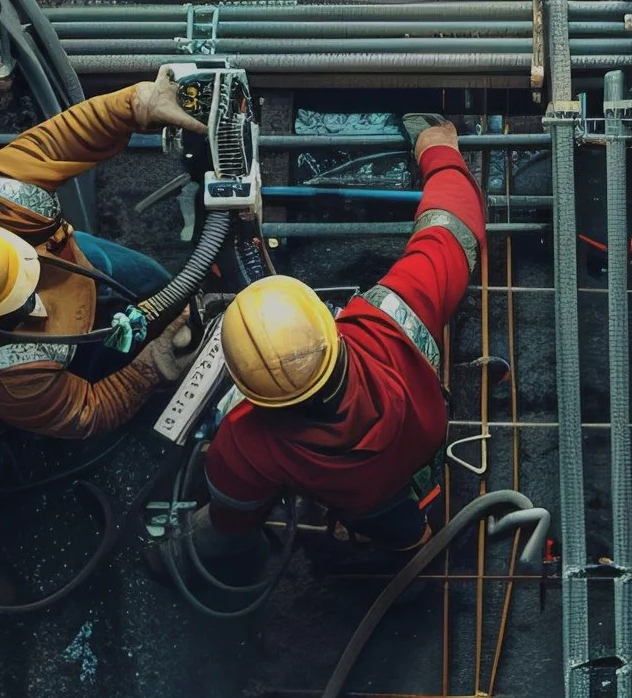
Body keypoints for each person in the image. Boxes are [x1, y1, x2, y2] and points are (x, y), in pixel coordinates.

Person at [170, 113, 486, 578]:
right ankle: (414, 555)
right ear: (330, 325)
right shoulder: (388, 324)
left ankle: (405, 550)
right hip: (414, 456)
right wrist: (437, 149)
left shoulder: (245, 440)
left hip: (360, 498)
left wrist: (205, 538)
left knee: (381, 519)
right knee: (400, 525)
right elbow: (452, 227)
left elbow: (234, 512)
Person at [0, 71, 209, 440]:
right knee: (142, 347)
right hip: (72, 351)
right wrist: (151, 367)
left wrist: (136, 104)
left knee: (152, 281)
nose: (33, 280)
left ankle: (166, 306)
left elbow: (53, 145)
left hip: (79, 265)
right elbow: (88, 411)